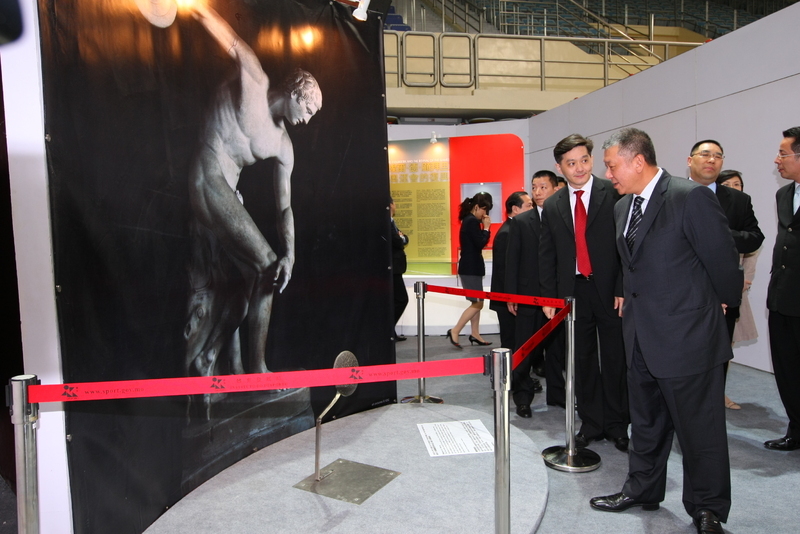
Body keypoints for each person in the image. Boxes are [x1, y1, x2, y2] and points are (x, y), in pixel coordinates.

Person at [590, 128, 742, 534]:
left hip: (688, 337)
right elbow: (632, 267)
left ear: (638, 161)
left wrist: (717, 306)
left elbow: (723, 262)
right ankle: (642, 488)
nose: (608, 174)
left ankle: (707, 508)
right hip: (641, 336)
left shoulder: (689, 197)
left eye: (612, 166)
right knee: (645, 423)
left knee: (700, 430)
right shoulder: (623, 207)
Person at [177, 3, 322, 380]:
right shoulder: (254, 81)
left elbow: (284, 207)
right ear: (294, 93)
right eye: (308, 109)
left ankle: (218, 361)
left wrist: (291, 253)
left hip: (227, 194)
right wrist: (190, 6)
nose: (307, 120)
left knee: (247, 286)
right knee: (264, 264)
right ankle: (257, 370)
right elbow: (227, 37)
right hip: (207, 173)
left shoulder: (283, 145)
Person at [539, 134, 629, 452]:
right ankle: (591, 423)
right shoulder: (553, 204)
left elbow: (626, 245)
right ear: (559, 167)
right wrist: (549, 297)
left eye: (584, 160)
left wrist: (622, 286)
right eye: (571, 163)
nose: (579, 168)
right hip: (573, 292)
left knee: (616, 358)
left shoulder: (613, 192)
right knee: (582, 360)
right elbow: (547, 254)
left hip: (611, 291)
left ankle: (618, 423)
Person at [687, 142, 764, 410]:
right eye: (705, 154)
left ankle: (713, 406)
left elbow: (755, 238)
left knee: (719, 354)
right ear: (690, 160)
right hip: (681, 291)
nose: (712, 160)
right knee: (683, 354)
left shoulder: (738, 200)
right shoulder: (669, 194)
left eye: (718, 156)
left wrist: (721, 235)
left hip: (722, 291)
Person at [506, 171, 565, 411]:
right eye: (534, 187)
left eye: (543, 187)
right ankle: (522, 398)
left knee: (556, 350)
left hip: (557, 297)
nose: (537, 192)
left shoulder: (564, 218)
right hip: (527, 295)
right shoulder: (521, 222)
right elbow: (512, 260)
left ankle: (558, 395)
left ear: (555, 189)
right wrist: (511, 295)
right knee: (524, 349)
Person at [764, 126, 800, 452]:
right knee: (787, 369)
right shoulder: (784, 194)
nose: (777, 160)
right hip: (781, 296)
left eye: (783, 154)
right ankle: (796, 429)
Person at [716, 171, 759, 348]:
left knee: (728, 337)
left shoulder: (743, 208)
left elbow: (752, 249)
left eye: (737, 184)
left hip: (736, 282)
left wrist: (744, 278)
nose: (733, 188)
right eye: (727, 185)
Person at [447, 192, 493, 348]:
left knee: (477, 301)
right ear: (477, 207)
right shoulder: (471, 221)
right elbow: (480, 243)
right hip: (470, 267)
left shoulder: (469, 220)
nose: (485, 214)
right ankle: (455, 330)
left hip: (471, 267)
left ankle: (475, 333)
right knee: (478, 303)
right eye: (484, 210)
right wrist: (486, 229)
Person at [489, 191, 532, 352]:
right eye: (529, 205)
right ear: (515, 209)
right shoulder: (507, 233)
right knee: (511, 341)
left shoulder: (516, 229)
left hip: (514, 296)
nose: (532, 209)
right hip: (508, 298)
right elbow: (505, 270)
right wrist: (511, 297)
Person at [390, 197, 409, 342]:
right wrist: (401, 238)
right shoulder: (386, 223)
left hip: (396, 268)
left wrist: (402, 238)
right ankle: (388, 329)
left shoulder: (392, 222)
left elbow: (405, 238)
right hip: (393, 268)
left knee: (397, 300)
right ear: (390, 205)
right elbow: (398, 240)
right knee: (401, 299)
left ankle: (390, 331)